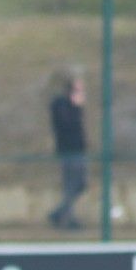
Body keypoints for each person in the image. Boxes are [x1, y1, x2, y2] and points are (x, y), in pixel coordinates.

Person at [47, 74, 87, 231]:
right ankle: (67, 219)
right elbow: (67, 125)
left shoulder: (71, 106)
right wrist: (76, 107)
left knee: (79, 184)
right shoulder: (61, 105)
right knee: (71, 185)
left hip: (77, 149)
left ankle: (59, 213)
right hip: (69, 150)